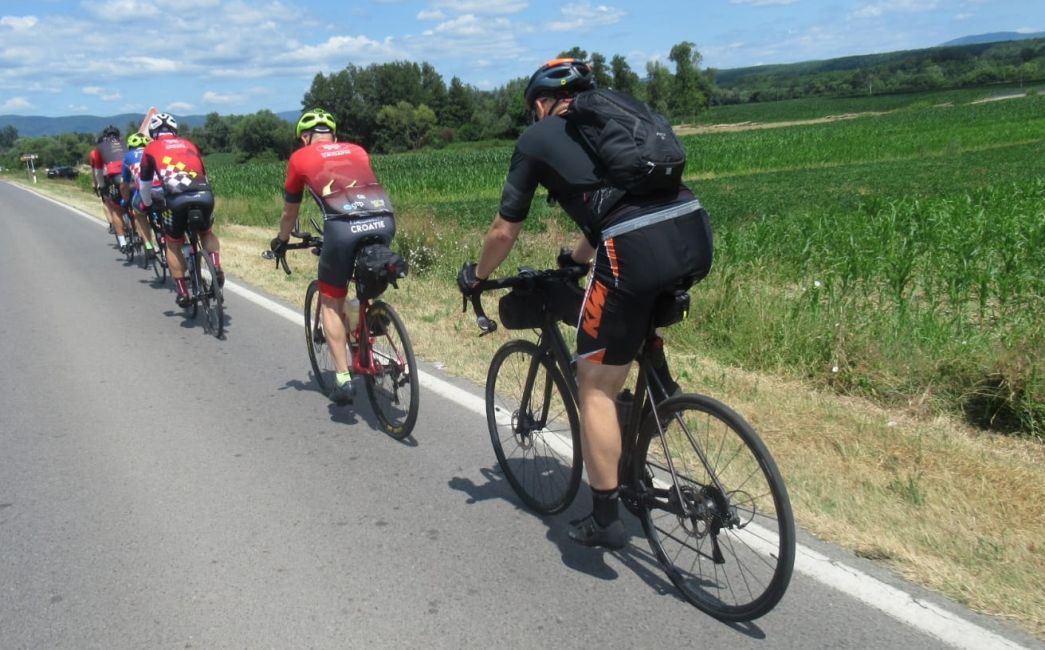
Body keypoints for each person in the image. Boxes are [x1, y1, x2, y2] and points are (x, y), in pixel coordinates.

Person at [458, 59, 713, 550]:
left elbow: (503, 231)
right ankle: (659, 398)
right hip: (692, 229)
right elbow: (617, 206)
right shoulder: (618, 120)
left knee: (593, 382)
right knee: (628, 327)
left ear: (539, 104)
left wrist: (477, 275)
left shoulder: (538, 139)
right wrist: (575, 257)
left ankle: (605, 518)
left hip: (632, 248)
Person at [271, 108, 396, 405]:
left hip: (342, 228)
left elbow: (291, 210)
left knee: (330, 298)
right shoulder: (357, 150)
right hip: (385, 220)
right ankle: (368, 319)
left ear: (304, 137)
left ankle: (342, 378)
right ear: (334, 136)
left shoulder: (300, 158)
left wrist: (282, 240)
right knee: (363, 278)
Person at [138, 112, 224, 308]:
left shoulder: (151, 148)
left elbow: (144, 185)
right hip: (204, 194)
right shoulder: (189, 144)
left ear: (153, 132)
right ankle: (216, 266)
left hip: (176, 199)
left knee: (173, 243)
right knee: (206, 232)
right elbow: (205, 175)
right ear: (175, 130)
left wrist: (147, 204)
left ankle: (184, 293)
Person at [120, 131, 158, 258]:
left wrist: (125, 200)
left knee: (138, 214)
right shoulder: (154, 151)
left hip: (143, 192)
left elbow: (124, 184)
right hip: (162, 189)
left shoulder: (128, 156)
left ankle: (148, 245)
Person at [89, 125, 128, 250]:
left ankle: (120, 237)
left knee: (112, 206)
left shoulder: (97, 150)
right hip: (129, 175)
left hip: (111, 177)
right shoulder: (124, 143)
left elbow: (97, 171)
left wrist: (99, 186)